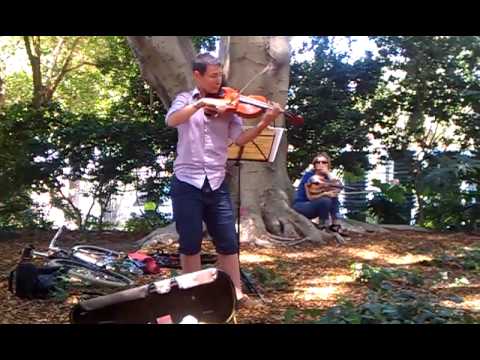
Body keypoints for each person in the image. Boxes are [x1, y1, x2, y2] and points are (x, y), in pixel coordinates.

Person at [165, 53, 282, 308]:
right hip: (186, 182)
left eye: (220, 75)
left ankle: (236, 295)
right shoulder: (185, 100)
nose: (219, 80)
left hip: (217, 182)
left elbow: (239, 139)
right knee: (190, 242)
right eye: (213, 76)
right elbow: (171, 120)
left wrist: (264, 121)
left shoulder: (229, 105)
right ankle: (191, 295)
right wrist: (199, 104)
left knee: (228, 242)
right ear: (198, 75)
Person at [292, 153, 347, 234]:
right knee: (326, 199)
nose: (320, 164)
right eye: (318, 162)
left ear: (328, 164)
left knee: (334, 197)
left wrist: (328, 174)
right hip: (302, 206)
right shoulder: (310, 176)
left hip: (316, 206)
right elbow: (310, 197)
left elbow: (339, 187)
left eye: (324, 162)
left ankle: (336, 225)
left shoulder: (327, 177)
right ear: (314, 164)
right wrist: (325, 194)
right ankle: (322, 225)